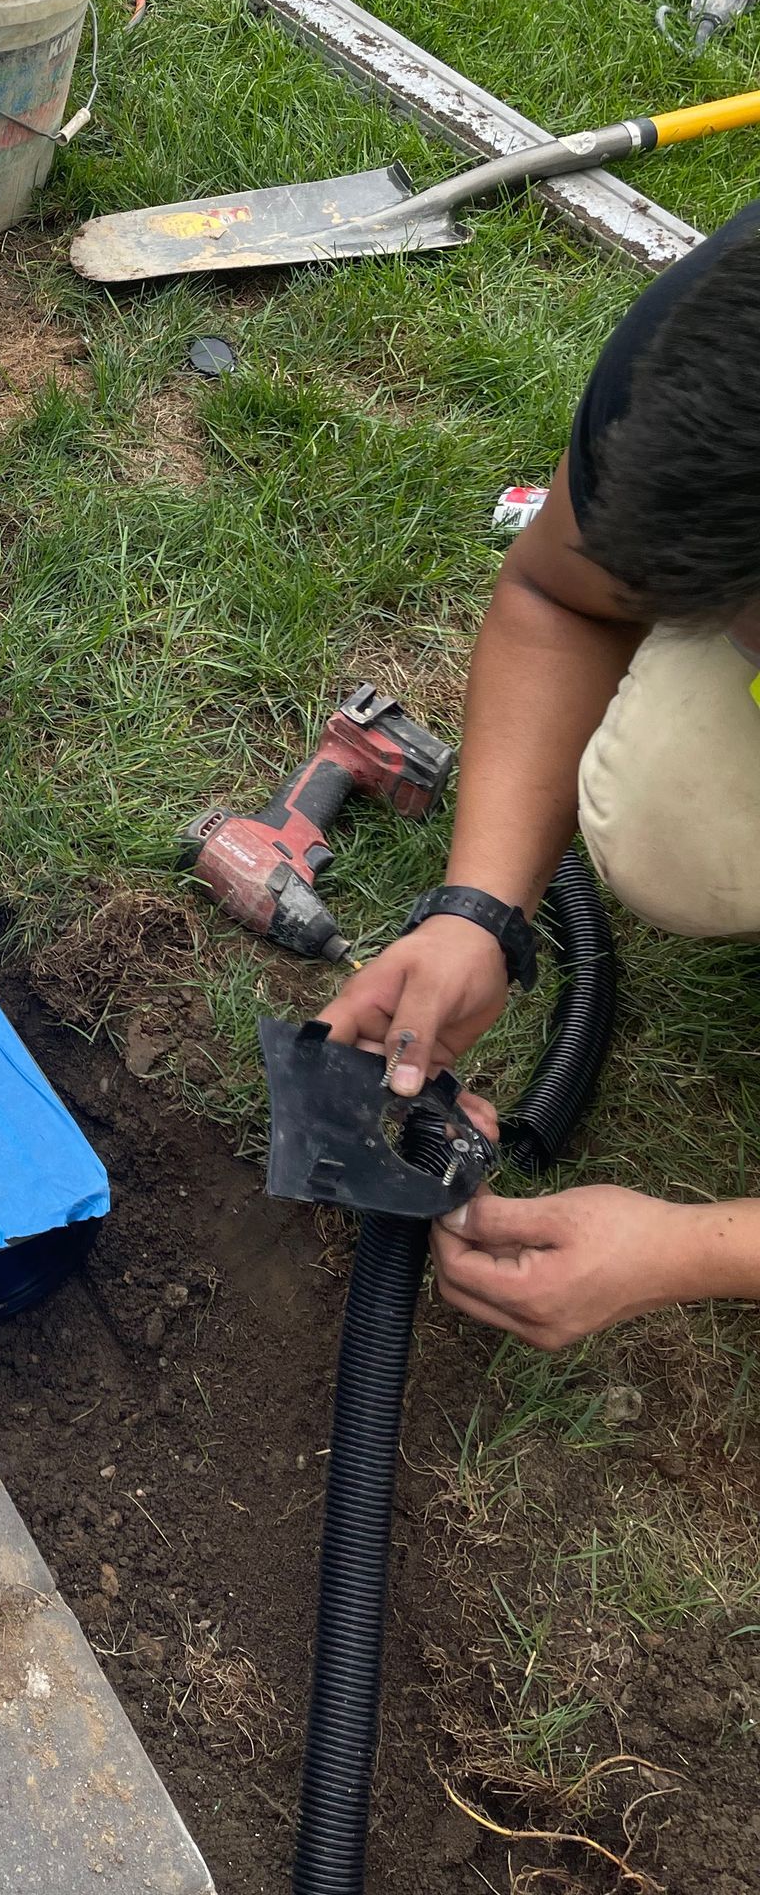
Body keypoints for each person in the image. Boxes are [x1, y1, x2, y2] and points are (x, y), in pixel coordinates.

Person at [321, 207, 760, 1350]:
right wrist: (479, 911)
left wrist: (689, 1247)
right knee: (674, 826)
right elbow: (561, 596)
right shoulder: (717, 349)